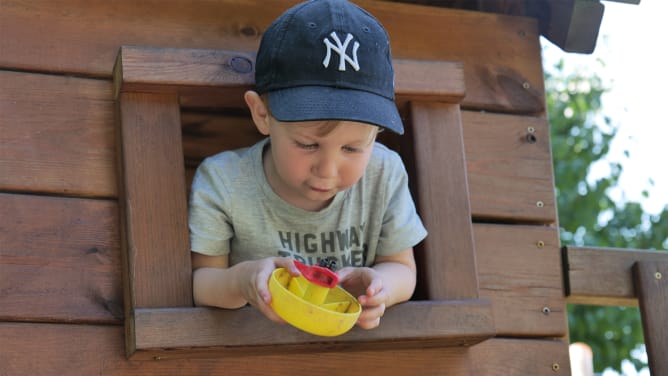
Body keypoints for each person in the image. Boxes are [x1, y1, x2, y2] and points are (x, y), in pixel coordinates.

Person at [188, 0, 427, 330]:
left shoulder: (384, 174)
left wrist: (380, 289)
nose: (328, 169)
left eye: (354, 147)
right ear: (262, 114)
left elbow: (403, 269)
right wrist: (241, 282)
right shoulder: (223, 182)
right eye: (308, 144)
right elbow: (202, 282)